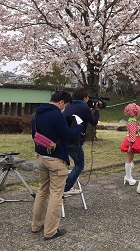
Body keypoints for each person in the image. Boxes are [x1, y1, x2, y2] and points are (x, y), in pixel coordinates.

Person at [31, 91, 84, 240]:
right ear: (61, 102)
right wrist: (80, 127)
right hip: (56, 160)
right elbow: (68, 135)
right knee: (56, 194)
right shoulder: (56, 114)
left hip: (41, 157)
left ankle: (36, 225)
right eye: (65, 105)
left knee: (42, 191)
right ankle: (50, 231)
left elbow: (34, 135)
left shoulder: (37, 113)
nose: (64, 108)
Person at [62, 88, 100, 195]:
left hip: (64, 139)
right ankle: (66, 188)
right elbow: (94, 121)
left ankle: (61, 185)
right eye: (87, 98)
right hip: (74, 141)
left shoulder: (69, 106)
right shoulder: (83, 107)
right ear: (84, 98)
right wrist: (96, 111)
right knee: (79, 165)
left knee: (67, 164)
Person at [123, 103, 140, 185]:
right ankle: (128, 176)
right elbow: (133, 134)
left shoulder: (130, 120)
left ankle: (128, 176)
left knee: (130, 158)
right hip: (132, 141)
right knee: (129, 159)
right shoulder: (133, 122)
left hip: (130, 140)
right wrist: (131, 145)